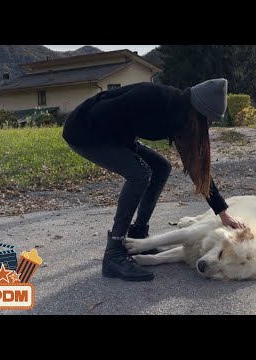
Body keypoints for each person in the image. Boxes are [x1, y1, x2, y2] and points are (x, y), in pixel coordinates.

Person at [62, 78, 245, 282]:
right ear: (198, 112)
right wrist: (125, 142)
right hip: (84, 132)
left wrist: (222, 212)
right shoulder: (155, 98)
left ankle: (139, 233)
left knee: (161, 167)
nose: (208, 126)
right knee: (139, 175)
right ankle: (114, 252)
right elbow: (99, 112)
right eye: (208, 120)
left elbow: (197, 169)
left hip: (113, 135)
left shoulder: (180, 118)